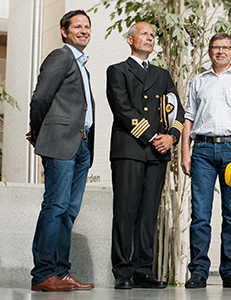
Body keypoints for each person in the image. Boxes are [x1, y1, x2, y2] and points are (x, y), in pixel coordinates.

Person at [106, 22, 185, 290]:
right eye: (144, 34)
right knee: (125, 211)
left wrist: (172, 137)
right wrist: (153, 135)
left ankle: (143, 270)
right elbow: (122, 108)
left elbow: (179, 112)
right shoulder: (117, 71)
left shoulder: (163, 75)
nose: (150, 38)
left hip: (157, 154)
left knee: (149, 213)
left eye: (153, 35)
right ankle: (123, 271)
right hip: (129, 150)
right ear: (129, 40)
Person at [181, 33, 231, 289]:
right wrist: (186, 152)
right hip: (203, 150)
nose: (220, 52)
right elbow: (188, 120)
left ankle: (230, 271)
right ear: (209, 51)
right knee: (200, 215)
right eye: (216, 48)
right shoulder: (198, 81)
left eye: (225, 47)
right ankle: (198, 272)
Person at [27, 10, 95, 292]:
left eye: (87, 26)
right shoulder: (60, 57)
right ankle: (43, 274)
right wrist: (39, 131)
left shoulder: (83, 65)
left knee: (68, 211)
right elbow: (41, 97)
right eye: (77, 26)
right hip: (60, 142)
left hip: (81, 145)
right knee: (55, 207)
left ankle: (60, 272)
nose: (84, 30)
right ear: (64, 32)